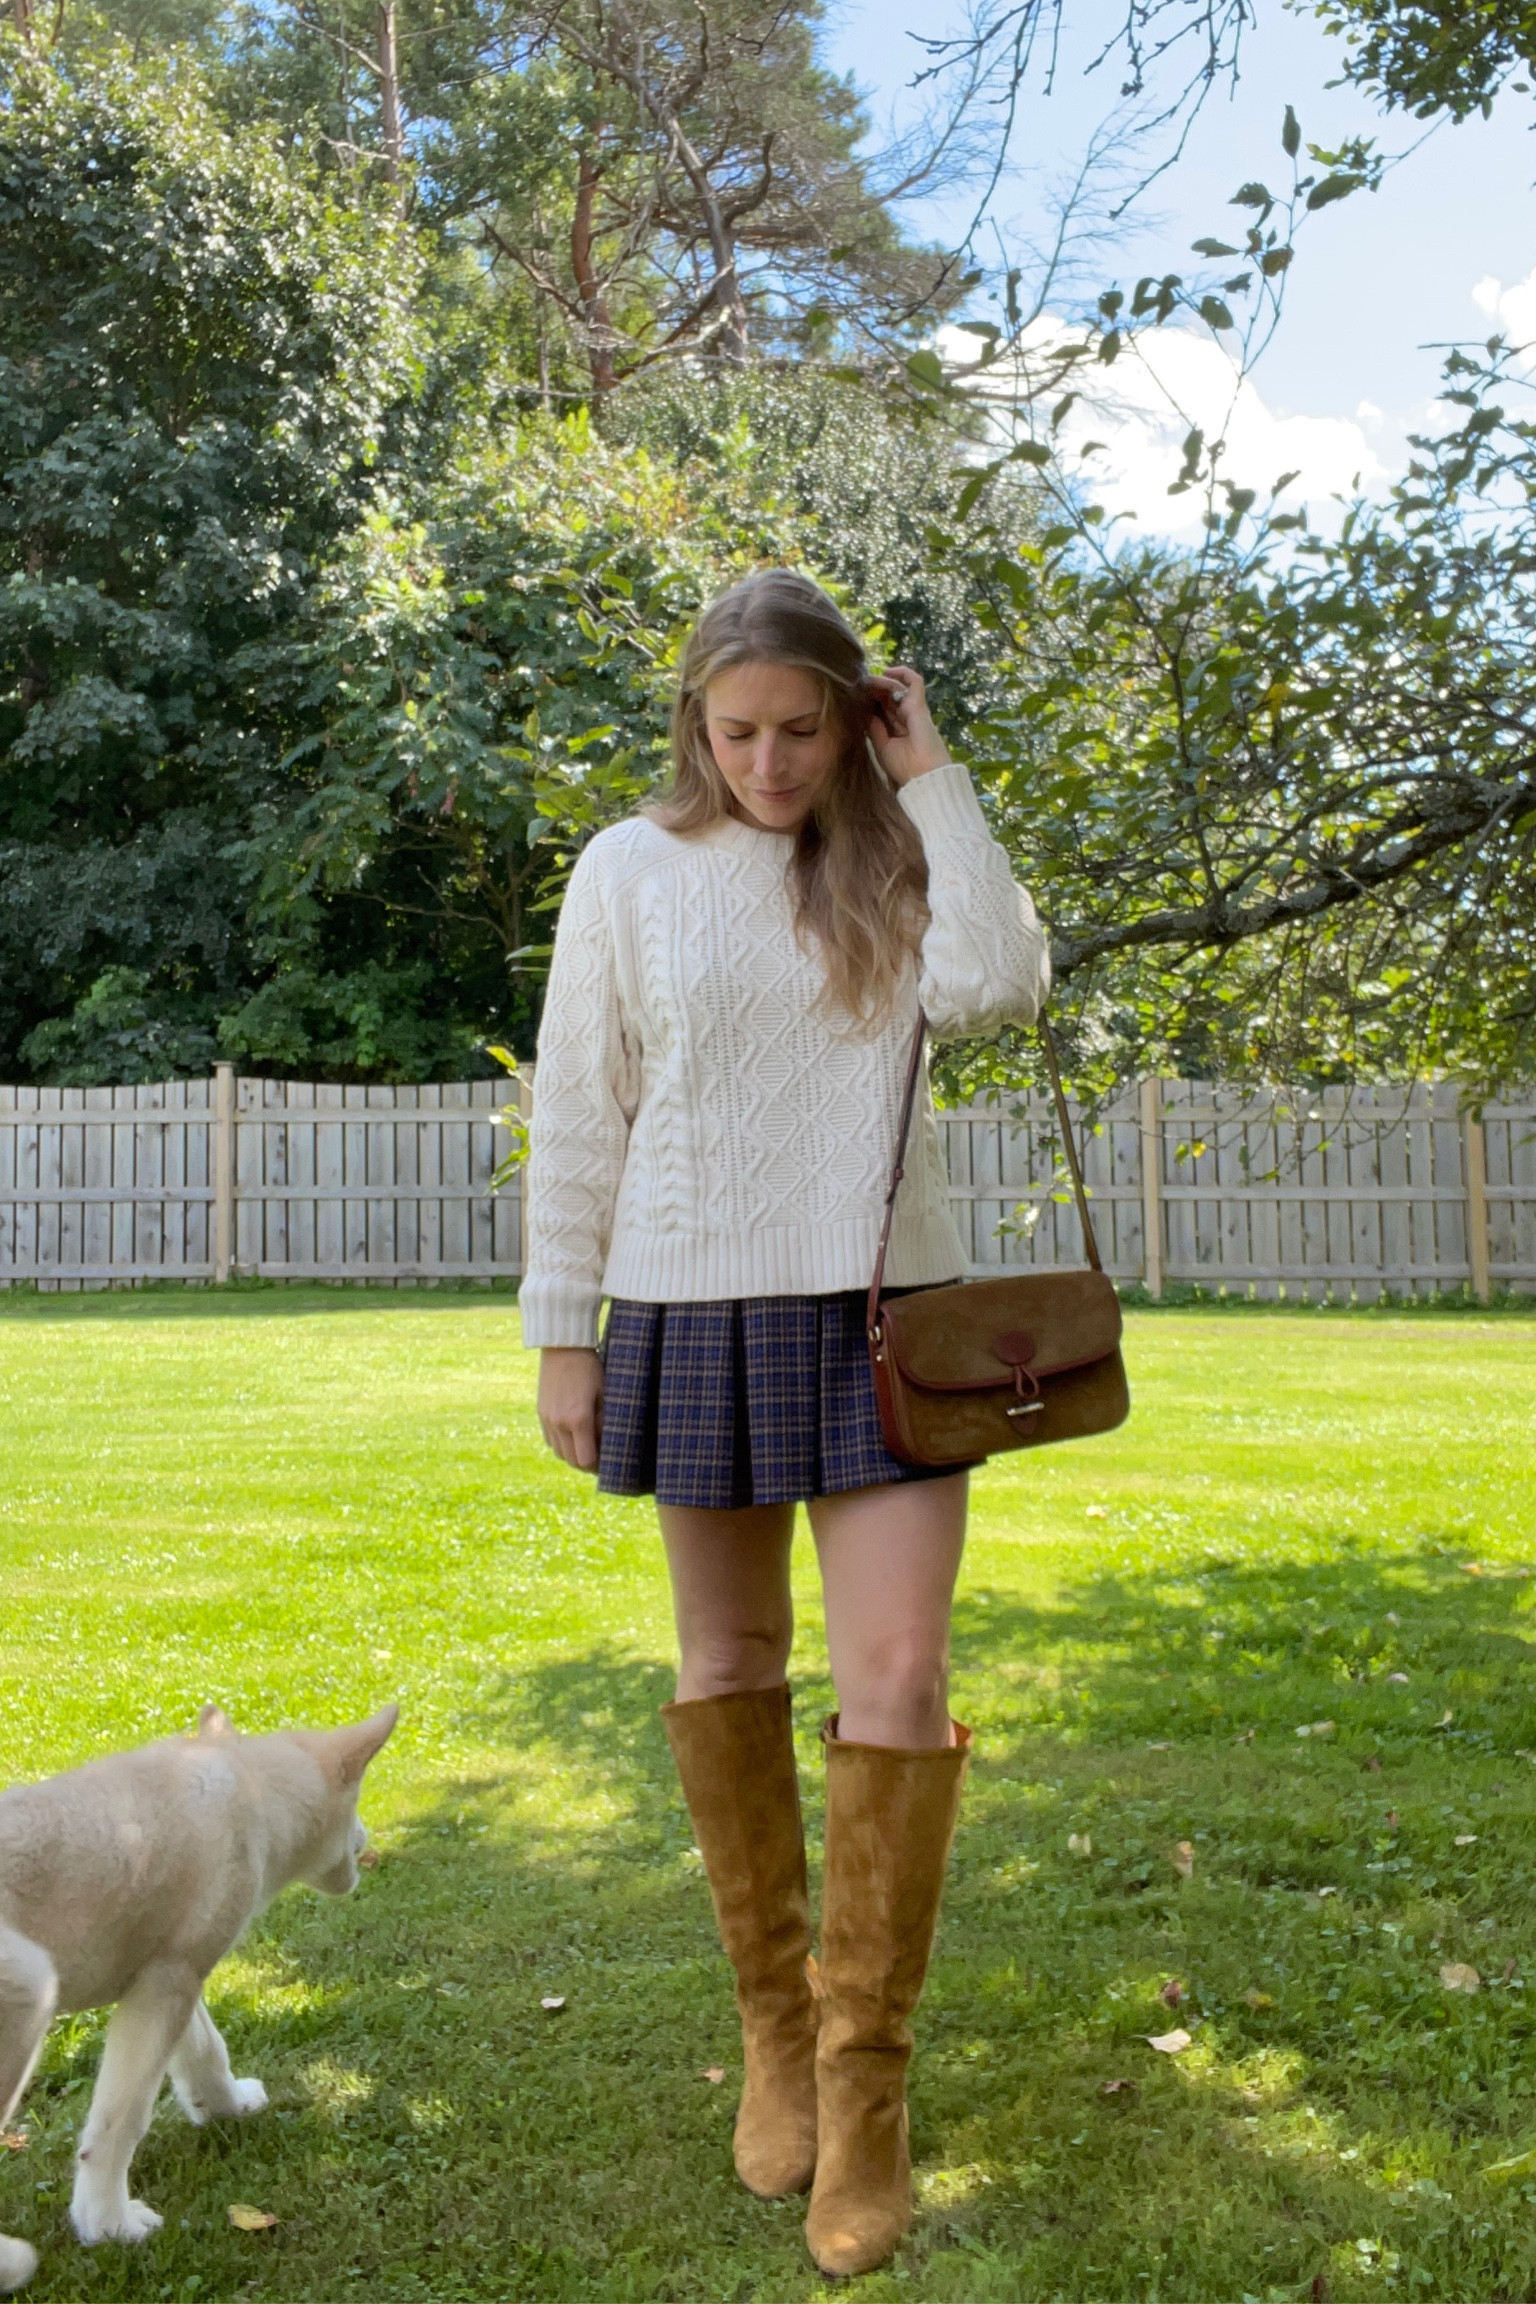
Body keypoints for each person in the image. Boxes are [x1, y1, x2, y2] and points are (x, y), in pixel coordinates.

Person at [519, 568, 1049, 2278]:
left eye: (801, 730)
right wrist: (562, 1338)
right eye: (735, 731)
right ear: (695, 722)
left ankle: (865, 2081)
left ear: (850, 716)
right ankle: (774, 2028)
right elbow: (584, 1109)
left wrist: (933, 774)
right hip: (685, 1308)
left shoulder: (895, 849)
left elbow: (1006, 981)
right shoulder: (628, 869)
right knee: (728, 1664)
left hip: (888, 1316)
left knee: (899, 1682)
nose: (765, 762)